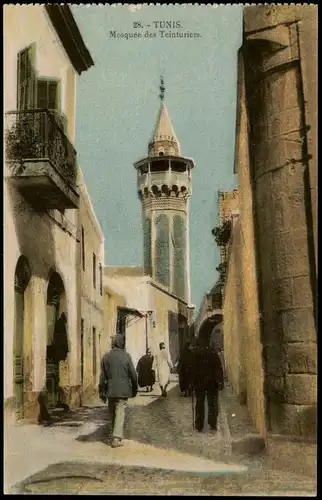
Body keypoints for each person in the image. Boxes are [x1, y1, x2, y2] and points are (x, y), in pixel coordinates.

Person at [99, 334, 138, 448]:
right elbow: (133, 375)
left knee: (112, 412)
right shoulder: (126, 356)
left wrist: (101, 392)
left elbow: (102, 377)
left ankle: (114, 434)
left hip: (110, 390)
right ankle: (116, 437)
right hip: (123, 390)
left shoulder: (106, 357)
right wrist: (135, 389)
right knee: (120, 412)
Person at [192, 336, 224, 432]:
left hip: (200, 382)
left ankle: (199, 424)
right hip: (212, 382)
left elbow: (192, 369)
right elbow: (219, 368)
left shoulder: (196, 354)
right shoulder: (213, 354)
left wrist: (192, 383)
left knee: (199, 403)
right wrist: (220, 381)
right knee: (212, 403)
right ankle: (213, 423)